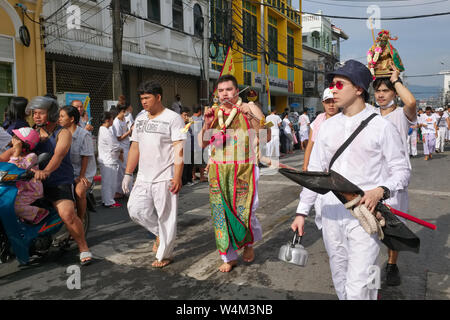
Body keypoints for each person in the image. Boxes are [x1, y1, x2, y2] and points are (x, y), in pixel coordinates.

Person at [291, 60, 410, 300]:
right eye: (331, 85)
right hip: (331, 214)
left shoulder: (382, 127)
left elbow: (402, 170)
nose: (332, 89)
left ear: (358, 89)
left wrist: (381, 190)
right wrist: (302, 212)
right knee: (341, 280)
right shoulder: (327, 127)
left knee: (358, 288)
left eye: (339, 84)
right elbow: (315, 173)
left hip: (364, 217)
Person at [7, 96, 92, 265]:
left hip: (58, 181)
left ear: (51, 114)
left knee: (67, 214)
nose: (36, 116)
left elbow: (58, 155)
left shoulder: (63, 133)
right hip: (30, 183)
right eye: (34, 113)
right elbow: (11, 151)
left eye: (41, 113)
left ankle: (83, 248)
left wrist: (46, 171)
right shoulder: (32, 133)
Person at [198, 74, 266, 273]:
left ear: (237, 91)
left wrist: (252, 115)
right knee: (221, 213)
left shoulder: (250, 107)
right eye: (220, 91)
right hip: (219, 169)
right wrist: (206, 123)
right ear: (217, 94)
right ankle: (228, 256)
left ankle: (248, 243)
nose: (224, 94)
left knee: (246, 210)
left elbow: (266, 135)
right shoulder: (214, 112)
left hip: (245, 167)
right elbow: (203, 143)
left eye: (228, 89)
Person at [122, 81, 186, 268]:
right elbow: (135, 146)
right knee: (135, 210)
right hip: (143, 176)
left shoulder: (173, 118)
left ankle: (165, 255)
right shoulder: (140, 119)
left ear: (158, 97)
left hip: (165, 176)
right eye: (141, 98)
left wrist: (178, 176)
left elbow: (179, 148)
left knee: (167, 216)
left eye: (147, 98)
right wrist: (128, 173)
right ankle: (161, 233)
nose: (144, 102)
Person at [370, 61, 417, 286]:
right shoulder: (369, 115)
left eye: (385, 90)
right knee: (369, 226)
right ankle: (367, 268)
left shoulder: (401, 114)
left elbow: (411, 101)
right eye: (377, 90)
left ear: (394, 93)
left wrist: (396, 79)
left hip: (395, 181)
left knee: (393, 226)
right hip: (371, 179)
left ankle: (391, 265)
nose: (380, 95)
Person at [59, 106, 97, 222]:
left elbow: (85, 157)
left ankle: (80, 220)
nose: (59, 119)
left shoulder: (84, 135)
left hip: (84, 171)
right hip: (67, 170)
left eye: (62, 116)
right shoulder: (60, 133)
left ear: (71, 119)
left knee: (79, 191)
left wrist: (81, 176)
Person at [7, 127, 48, 224]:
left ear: (24, 144)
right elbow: (8, 167)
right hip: (20, 188)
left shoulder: (31, 157)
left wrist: (16, 151)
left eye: (16, 140)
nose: (13, 140)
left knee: (14, 206)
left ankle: (40, 212)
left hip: (31, 190)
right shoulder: (17, 156)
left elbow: (16, 169)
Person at [302, 88, 339, 172]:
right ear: (323, 103)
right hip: (316, 166)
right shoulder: (317, 121)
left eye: (334, 101)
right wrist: (305, 166)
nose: (331, 105)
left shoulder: (345, 121)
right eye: (328, 102)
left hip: (336, 168)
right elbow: (310, 145)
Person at [97, 111, 122, 208]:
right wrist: (121, 149)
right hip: (108, 160)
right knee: (109, 182)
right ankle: (109, 201)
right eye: (112, 118)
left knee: (107, 182)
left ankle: (107, 200)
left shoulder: (105, 129)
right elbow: (114, 145)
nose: (113, 120)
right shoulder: (105, 130)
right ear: (108, 120)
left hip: (108, 159)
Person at [111, 104, 133, 199]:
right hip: (122, 149)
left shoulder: (124, 119)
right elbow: (119, 138)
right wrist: (129, 132)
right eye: (126, 111)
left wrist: (130, 130)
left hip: (126, 146)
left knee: (124, 169)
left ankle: (124, 190)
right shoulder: (116, 122)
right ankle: (124, 190)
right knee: (124, 169)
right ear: (122, 111)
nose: (127, 113)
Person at [191, 105, 207, 182]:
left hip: (191, 144)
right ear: (200, 111)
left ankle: (193, 175)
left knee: (193, 161)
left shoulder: (190, 119)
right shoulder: (201, 121)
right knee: (201, 161)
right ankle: (202, 176)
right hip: (199, 144)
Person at [181, 107, 194, 186]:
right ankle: (184, 181)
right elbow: (183, 131)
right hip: (183, 147)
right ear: (180, 115)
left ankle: (189, 179)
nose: (186, 117)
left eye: (187, 115)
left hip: (190, 146)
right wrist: (189, 124)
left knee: (190, 164)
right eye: (185, 115)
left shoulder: (187, 123)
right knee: (185, 165)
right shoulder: (180, 123)